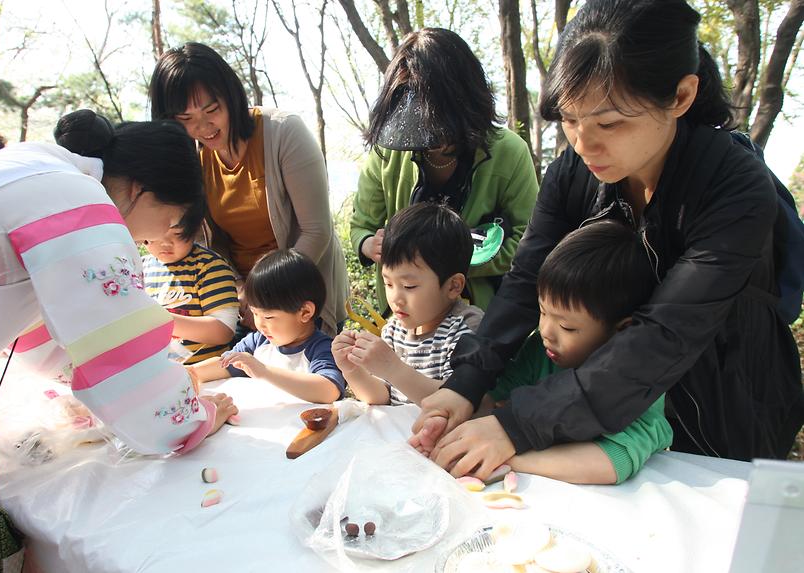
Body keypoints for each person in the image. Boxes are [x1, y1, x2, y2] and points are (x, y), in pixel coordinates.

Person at [411, 0, 804, 478]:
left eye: (610, 123)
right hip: (601, 412)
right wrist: (465, 383)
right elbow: (524, 282)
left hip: (722, 399)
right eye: (571, 121)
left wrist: (518, 424)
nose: (584, 144)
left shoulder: (734, 185)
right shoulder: (573, 173)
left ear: (680, 96)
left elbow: (666, 332)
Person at [0, 115, 236, 572]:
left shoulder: (28, 168)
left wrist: (81, 390)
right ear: (140, 188)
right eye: (172, 219)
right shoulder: (76, 198)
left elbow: (37, 333)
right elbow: (122, 350)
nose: (159, 237)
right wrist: (192, 417)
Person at [149, 42, 348, 336]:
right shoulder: (192, 159)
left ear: (230, 95)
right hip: (243, 302)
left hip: (301, 293)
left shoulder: (283, 132)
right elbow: (213, 242)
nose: (204, 127)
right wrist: (240, 292)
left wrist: (264, 297)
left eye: (212, 110)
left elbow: (316, 232)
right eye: (186, 119)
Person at [349, 27, 538, 313]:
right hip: (404, 321)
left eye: (435, 125)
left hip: (481, 317)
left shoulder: (509, 153)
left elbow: (530, 240)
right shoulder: (387, 151)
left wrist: (453, 262)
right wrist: (368, 245)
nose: (424, 138)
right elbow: (361, 225)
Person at [476, 221, 671, 484]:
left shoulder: (639, 384)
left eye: (567, 326)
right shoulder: (540, 350)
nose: (546, 331)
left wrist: (509, 458)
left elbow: (613, 460)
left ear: (621, 329)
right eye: (542, 312)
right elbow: (495, 399)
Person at [333, 203, 482, 406]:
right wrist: (352, 370)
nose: (395, 298)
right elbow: (380, 397)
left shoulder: (466, 327)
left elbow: (455, 399)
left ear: (453, 286)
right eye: (388, 283)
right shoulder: (394, 329)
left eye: (409, 286)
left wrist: (393, 368)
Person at [188, 249, 345, 404]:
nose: (260, 324)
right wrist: (191, 373)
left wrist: (264, 371)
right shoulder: (258, 341)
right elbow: (225, 364)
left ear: (305, 312)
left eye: (268, 317)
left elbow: (329, 390)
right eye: (255, 314)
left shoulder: (321, 348)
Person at [142, 201, 241, 364]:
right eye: (157, 234)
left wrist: (157, 320)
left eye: (177, 233)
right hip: (158, 370)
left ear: (194, 230)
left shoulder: (209, 267)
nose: (166, 243)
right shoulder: (142, 267)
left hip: (206, 372)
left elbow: (223, 331)